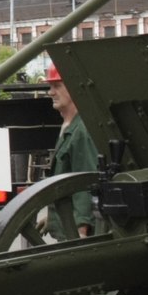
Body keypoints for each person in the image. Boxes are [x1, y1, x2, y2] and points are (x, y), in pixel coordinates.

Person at [42, 63, 98, 239]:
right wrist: (51, 218)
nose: (51, 92)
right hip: (67, 225)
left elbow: (85, 180)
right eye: (50, 86)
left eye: (57, 86)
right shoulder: (70, 127)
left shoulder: (82, 131)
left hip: (74, 231)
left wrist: (81, 227)